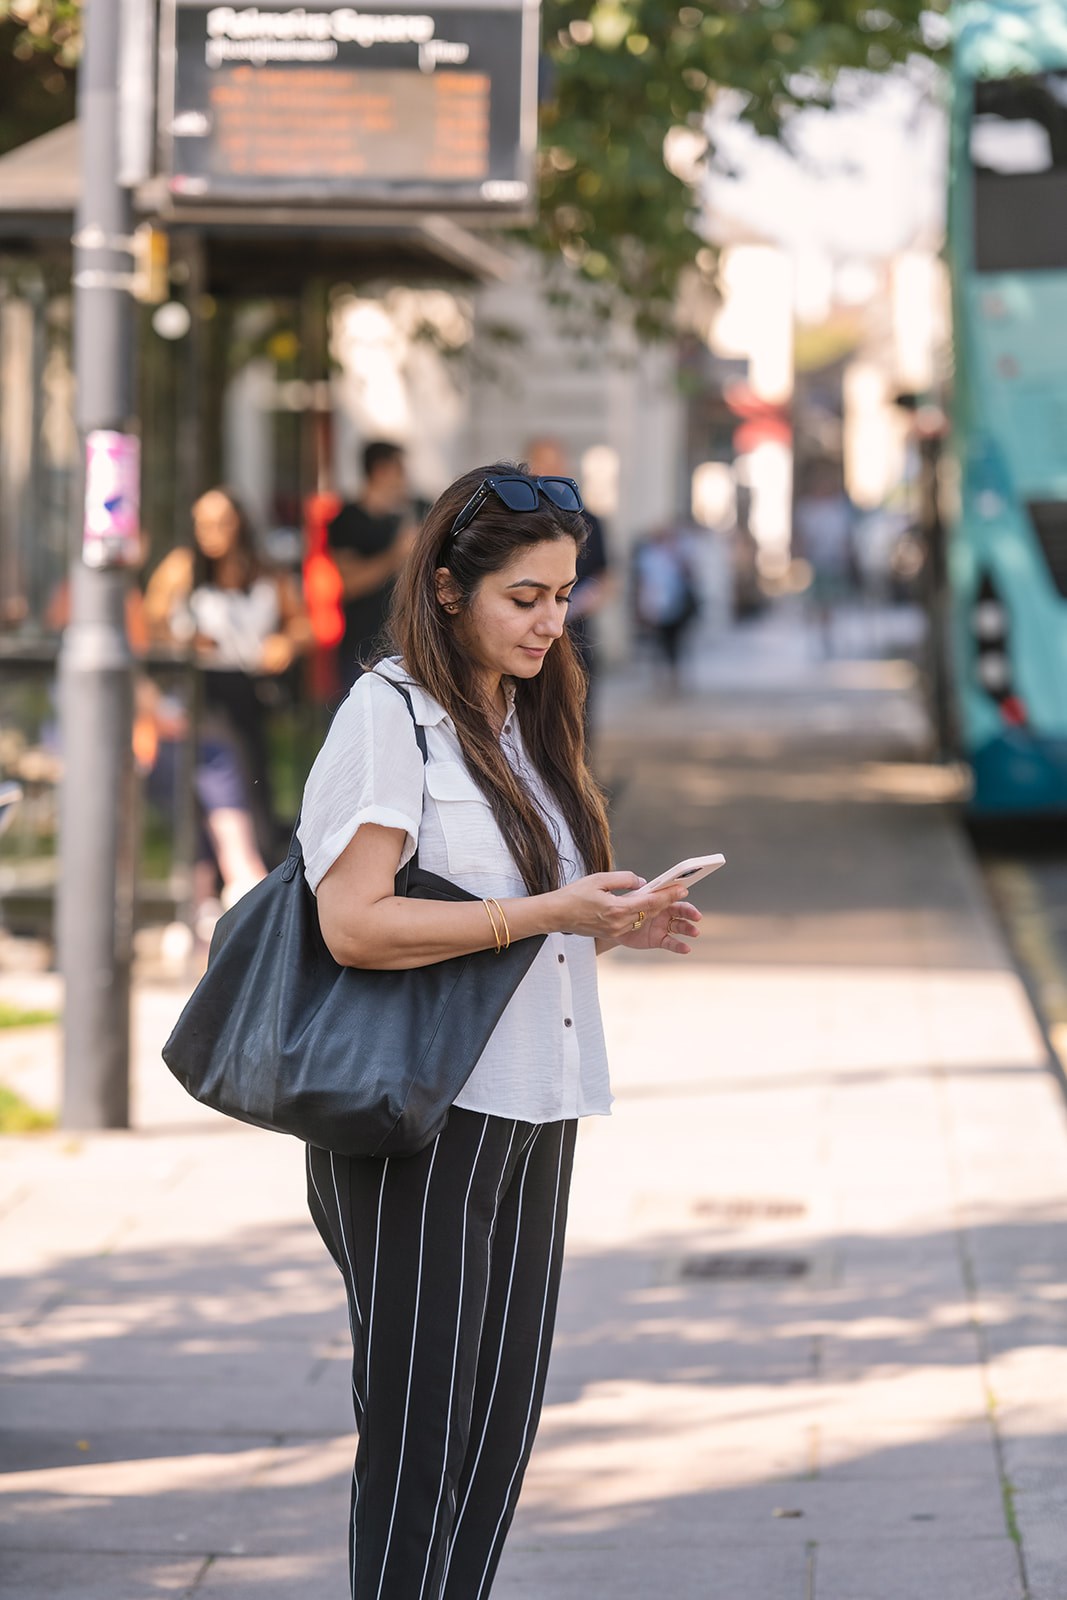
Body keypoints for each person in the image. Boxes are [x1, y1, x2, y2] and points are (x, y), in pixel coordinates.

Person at [297, 462, 703, 1600]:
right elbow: (355, 925)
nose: (548, 620)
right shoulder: (390, 719)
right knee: (420, 1437)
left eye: (562, 595)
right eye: (522, 596)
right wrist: (546, 912)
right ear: (444, 589)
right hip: (424, 1114)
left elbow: (512, 925)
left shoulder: (526, 718)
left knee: (498, 1427)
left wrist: (610, 925)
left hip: (537, 1100)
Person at [145, 487, 311, 929]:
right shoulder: (183, 568)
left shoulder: (265, 572)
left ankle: (247, 875)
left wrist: (284, 644)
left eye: (221, 523)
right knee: (218, 778)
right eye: (203, 523)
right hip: (202, 687)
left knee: (252, 779)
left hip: (249, 687)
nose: (211, 533)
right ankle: (224, 876)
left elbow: (301, 624)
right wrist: (183, 641)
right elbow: (151, 621)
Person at [525, 437, 612, 727]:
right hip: (526, 633)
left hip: (575, 634)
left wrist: (571, 604)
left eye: (554, 464)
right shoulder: (514, 521)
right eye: (541, 463)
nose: (548, 472)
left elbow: (606, 576)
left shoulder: (587, 520)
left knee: (576, 716)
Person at [327, 440, 418, 692]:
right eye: (400, 469)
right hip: (362, 646)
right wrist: (395, 556)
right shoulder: (348, 520)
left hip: (402, 640)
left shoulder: (406, 515)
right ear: (381, 470)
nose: (405, 478)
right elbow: (349, 584)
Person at [633, 522, 701, 692]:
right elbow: (643, 581)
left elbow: (690, 575)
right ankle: (661, 680)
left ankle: (675, 679)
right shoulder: (649, 555)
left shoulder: (677, 552)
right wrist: (641, 606)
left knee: (676, 644)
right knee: (659, 644)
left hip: (676, 606)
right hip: (656, 607)